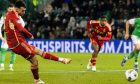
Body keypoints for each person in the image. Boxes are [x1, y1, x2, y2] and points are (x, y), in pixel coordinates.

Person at [4, 1, 71, 84]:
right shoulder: (14, 16)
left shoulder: (9, 14)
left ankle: (62, 60)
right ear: (17, 9)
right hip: (18, 44)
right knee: (34, 61)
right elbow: (20, 28)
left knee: (39, 51)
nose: (24, 12)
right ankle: (37, 80)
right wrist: (30, 34)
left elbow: (9, 28)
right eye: (23, 10)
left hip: (17, 42)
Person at [0, 4, 18, 71]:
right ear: (8, 9)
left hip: (14, 36)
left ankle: (11, 66)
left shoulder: (16, 16)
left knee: (14, 51)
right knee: (3, 50)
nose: (11, 10)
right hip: (6, 35)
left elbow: (22, 24)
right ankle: (2, 66)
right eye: (10, 9)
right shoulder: (4, 16)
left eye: (12, 9)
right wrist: (1, 36)